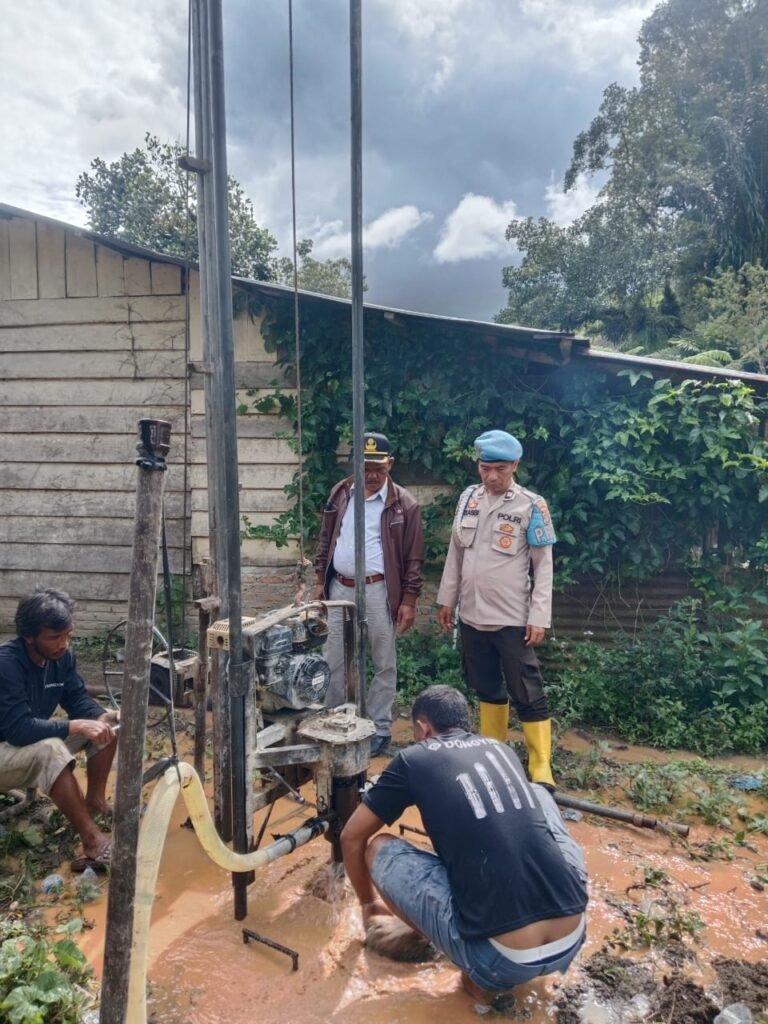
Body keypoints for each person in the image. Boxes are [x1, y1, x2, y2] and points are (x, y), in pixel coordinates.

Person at [341, 685, 588, 1000]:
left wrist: (368, 903)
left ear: (422, 728)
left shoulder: (412, 758)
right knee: (538, 793)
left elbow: (351, 837)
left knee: (377, 847)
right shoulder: (502, 750)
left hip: (502, 960)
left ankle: (478, 985)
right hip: (572, 938)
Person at [437, 429, 558, 788]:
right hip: (472, 615)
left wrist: (539, 616)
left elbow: (544, 565)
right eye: (485, 468)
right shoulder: (468, 499)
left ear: (515, 466)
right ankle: (495, 755)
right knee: (486, 685)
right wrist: (448, 599)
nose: (491, 476)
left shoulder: (532, 506)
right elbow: (455, 554)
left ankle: (540, 765)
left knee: (526, 690)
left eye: (500, 469)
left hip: (513, 619)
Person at [314, 431, 425, 757]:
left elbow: (414, 558)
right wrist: (320, 581)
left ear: (390, 464)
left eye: (379, 468)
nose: (372, 475)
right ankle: (333, 722)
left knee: (383, 662)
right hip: (339, 589)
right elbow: (325, 540)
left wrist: (409, 599)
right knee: (332, 658)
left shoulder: (405, 504)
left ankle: (379, 729)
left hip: (379, 591)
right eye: (366, 468)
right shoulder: (340, 494)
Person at [0, 589, 119, 870]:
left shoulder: (62, 658)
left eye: (68, 635)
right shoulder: (6, 664)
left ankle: (93, 804)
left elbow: (77, 700)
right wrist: (75, 725)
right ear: (29, 637)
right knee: (51, 748)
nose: (64, 644)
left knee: (110, 725)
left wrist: (103, 715)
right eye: (54, 638)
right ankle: (92, 841)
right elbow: (17, 730)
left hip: (23, 747)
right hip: (5, 749)